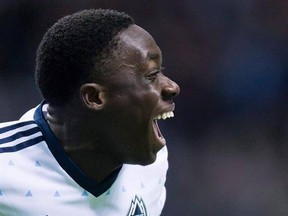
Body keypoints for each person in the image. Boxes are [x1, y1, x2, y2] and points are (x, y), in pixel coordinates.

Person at [0, 9, 180, 215]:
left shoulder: (151, 165)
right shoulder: (5, 170)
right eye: (152, 75)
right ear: (94, 97)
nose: (172, 87)